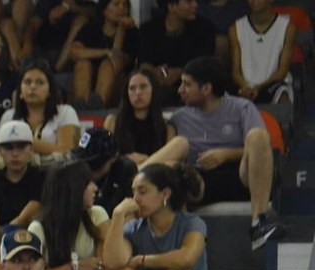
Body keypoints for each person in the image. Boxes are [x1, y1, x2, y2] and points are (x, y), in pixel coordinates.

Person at [170, 56, 285, 249]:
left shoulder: (242, 108)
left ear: (206, 89)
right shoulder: (179, 118)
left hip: (240, 175)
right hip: (200, 180)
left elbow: (261, 149)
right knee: (175, 171)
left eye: (187, 85)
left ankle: (259, 225)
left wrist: (226, 154)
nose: (180, 90)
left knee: (258, 136)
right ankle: (180, 239)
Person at [29, 159, 113, 270]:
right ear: (73, 189)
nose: (95, 188)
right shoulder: (39, 228)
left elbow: (106, 264)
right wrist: (73, 267)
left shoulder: (97, 215)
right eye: (88, 183)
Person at [137, 0, 216, 107]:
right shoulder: (148, 29)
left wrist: (179, 72)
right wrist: (154, 73)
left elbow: (205, 64)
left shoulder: (205, 29)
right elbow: (144, 62)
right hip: (157, 85)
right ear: (172, 7)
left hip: (193, 82)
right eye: (189, 2)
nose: (195, 5)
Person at [104, 68, 187, 167]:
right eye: (132, 88)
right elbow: (104, 159)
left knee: (181, 143)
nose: (138, 92)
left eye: (143, 87)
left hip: (152, 177)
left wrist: (147, 161)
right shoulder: (113, 121)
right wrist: (126, 159)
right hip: (121, 175)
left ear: (153, 90)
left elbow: (169, 164)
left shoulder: (167, 127)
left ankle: (142, 172)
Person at [0, 59, 80, 160]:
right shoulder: (8, 116)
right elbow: (1, 153)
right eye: (27, 82)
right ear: (20, 91)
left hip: (58, 173)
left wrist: (27, 142)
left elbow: (70, 152)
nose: (32, 87)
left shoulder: (66, 112)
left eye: (40, 82)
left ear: (50, 90)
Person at [69, 0, 138, 109]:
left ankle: (97, 105)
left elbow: (117, 62)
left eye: (125, 5)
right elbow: (74, 52)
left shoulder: (131, 32)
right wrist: (106, 52)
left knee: (108, 65)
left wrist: (121, 30)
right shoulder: (91, 28)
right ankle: (81, 106)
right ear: (104, 10)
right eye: (116, 4)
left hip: (117, 87)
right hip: (88, 82)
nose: (121, 8)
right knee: (83, 63)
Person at [229, 0, 296, 104]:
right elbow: (236, 73)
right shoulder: (235, 28)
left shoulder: (287, 28)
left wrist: (258, 88)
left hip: (273, 85)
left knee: (283, 97)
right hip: (245, 86)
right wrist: (247, 88)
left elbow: (281, 72)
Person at [0, 120, 45, 227]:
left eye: (21, 147)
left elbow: (30, 211)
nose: (15, 154)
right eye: (8, 148)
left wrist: (6, 231)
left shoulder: (40, 177)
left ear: (31, 149)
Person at [72, 126, 140, 218]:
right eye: (83, 161)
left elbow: (130, 212)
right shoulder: (72, 171)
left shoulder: (124, 171)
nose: (88, 169)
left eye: (94, 164)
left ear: (113, 158)